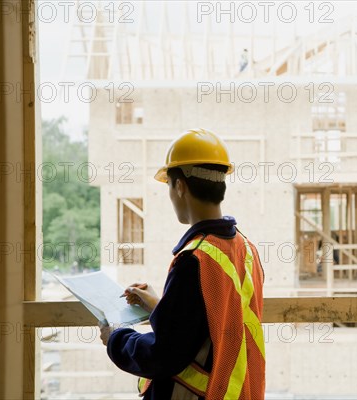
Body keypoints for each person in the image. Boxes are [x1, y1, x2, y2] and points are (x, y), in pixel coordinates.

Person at [99, 129, 266, 399]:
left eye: (169, 185)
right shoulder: (246, 250)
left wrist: (116, 339)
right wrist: (161, 307)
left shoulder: (194, 260)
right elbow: (215, 320)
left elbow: (164, 354)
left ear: (180, 186)